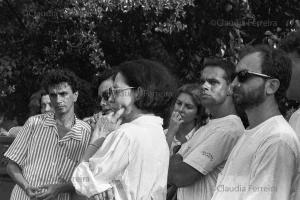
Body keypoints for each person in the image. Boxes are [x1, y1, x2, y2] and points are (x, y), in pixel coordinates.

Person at [71, 59, 176, 200]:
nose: (110, 99)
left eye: (116, 91)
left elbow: (81, 181)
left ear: (138, 93)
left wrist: (96, 139)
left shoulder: (127, 134)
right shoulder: (157, 132)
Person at [211, 45, 300, 200]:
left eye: (243, 76)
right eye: (234, 76)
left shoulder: (277, 139)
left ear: (271, 86)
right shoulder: (253, 132)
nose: (233, 84)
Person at [4, 69, 91, 200]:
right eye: (53, 95)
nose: (58, 99)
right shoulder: (34, 123)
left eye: (63, 94)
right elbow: (11, 165)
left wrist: (60, 188)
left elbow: (86, 178)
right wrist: (26, 187)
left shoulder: (87, 132)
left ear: (75, 95)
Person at [167, 59, 244, 200]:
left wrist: (178, 160)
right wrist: (177, 161)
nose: (204, 86)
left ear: (230, 88)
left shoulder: (229, 130)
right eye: (202, 81)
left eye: (213, 82)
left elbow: (179, 176)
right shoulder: (208, 126)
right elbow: (173, 166)